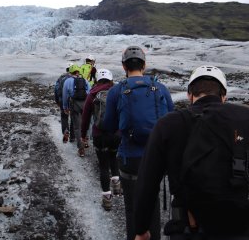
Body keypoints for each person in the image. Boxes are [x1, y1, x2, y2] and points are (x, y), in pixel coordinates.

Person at [133, 66, 249, 240]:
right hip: (243, 231)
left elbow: (147, 184)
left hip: (189, 231)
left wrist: (141, 228)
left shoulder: (168, 124)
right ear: (224, 96)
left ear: (190, 95)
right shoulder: (246, 119)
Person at [103, 46, 174, 240]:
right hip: (156, 158)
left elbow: (108, 125)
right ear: (144, 65)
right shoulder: (160, 88)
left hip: (129, 158)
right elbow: (172, 121)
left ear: (124, 66)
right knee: (153, 204)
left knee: (132, 207)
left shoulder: (117, 90)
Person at [80, 68, 121, 211]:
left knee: (103, 166)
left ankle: (107, 199)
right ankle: (116, 185)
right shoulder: (117, 92)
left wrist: (83, 134)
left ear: (97, 79)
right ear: (110, 79)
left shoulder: (92, 94)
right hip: (116, 134)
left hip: (99, 135)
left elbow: (85, 117)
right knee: (114, 158)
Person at [62, 64, 91, 157]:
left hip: (74, 105)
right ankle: (86, 140)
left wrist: (65, 107)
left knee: (77, 127)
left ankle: (81, 149)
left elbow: (65, 95)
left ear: (70, 72)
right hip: (85, 104)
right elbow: (89, 92)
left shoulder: (67, 81)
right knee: (86, 123)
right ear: (78, 71)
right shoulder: (84, 80)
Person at [54, 62, 74, 143]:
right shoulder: (76, 78)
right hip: (73, 101)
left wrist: (57, 101)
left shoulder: (61, 78)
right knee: (73, 117)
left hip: (62, 100)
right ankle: (73, 136)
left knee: (64, 117)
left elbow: (56, 89)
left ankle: (65, 131)